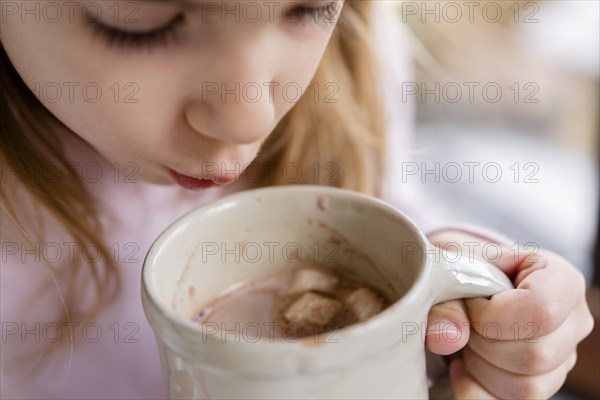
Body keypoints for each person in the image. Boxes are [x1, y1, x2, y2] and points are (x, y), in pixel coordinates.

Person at [0, 1, 593, 398]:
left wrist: (456, 279)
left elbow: (382, 201)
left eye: (308, 6)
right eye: (140, 22)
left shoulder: (356, 42)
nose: (248, 116)